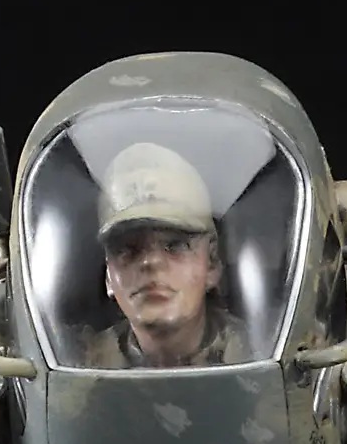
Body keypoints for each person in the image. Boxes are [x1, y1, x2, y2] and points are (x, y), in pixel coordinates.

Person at [78, 141, 251, 368]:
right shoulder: (82, 366)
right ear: (109, 276)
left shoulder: (261, 355)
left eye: (175, 245)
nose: (151, 262)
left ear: (211, 263)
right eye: (128, 249)